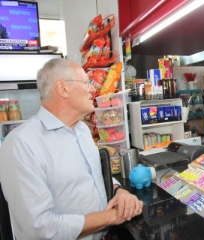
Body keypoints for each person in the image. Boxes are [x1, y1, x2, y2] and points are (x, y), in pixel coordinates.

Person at [0, 58, 143, 240]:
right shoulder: (20, 144)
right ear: (63, 89)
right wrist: (112, 216)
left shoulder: (82, 129)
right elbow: (41, 229)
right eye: (86, 82)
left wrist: (119, 191)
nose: (93, 88)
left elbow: (94, 175)